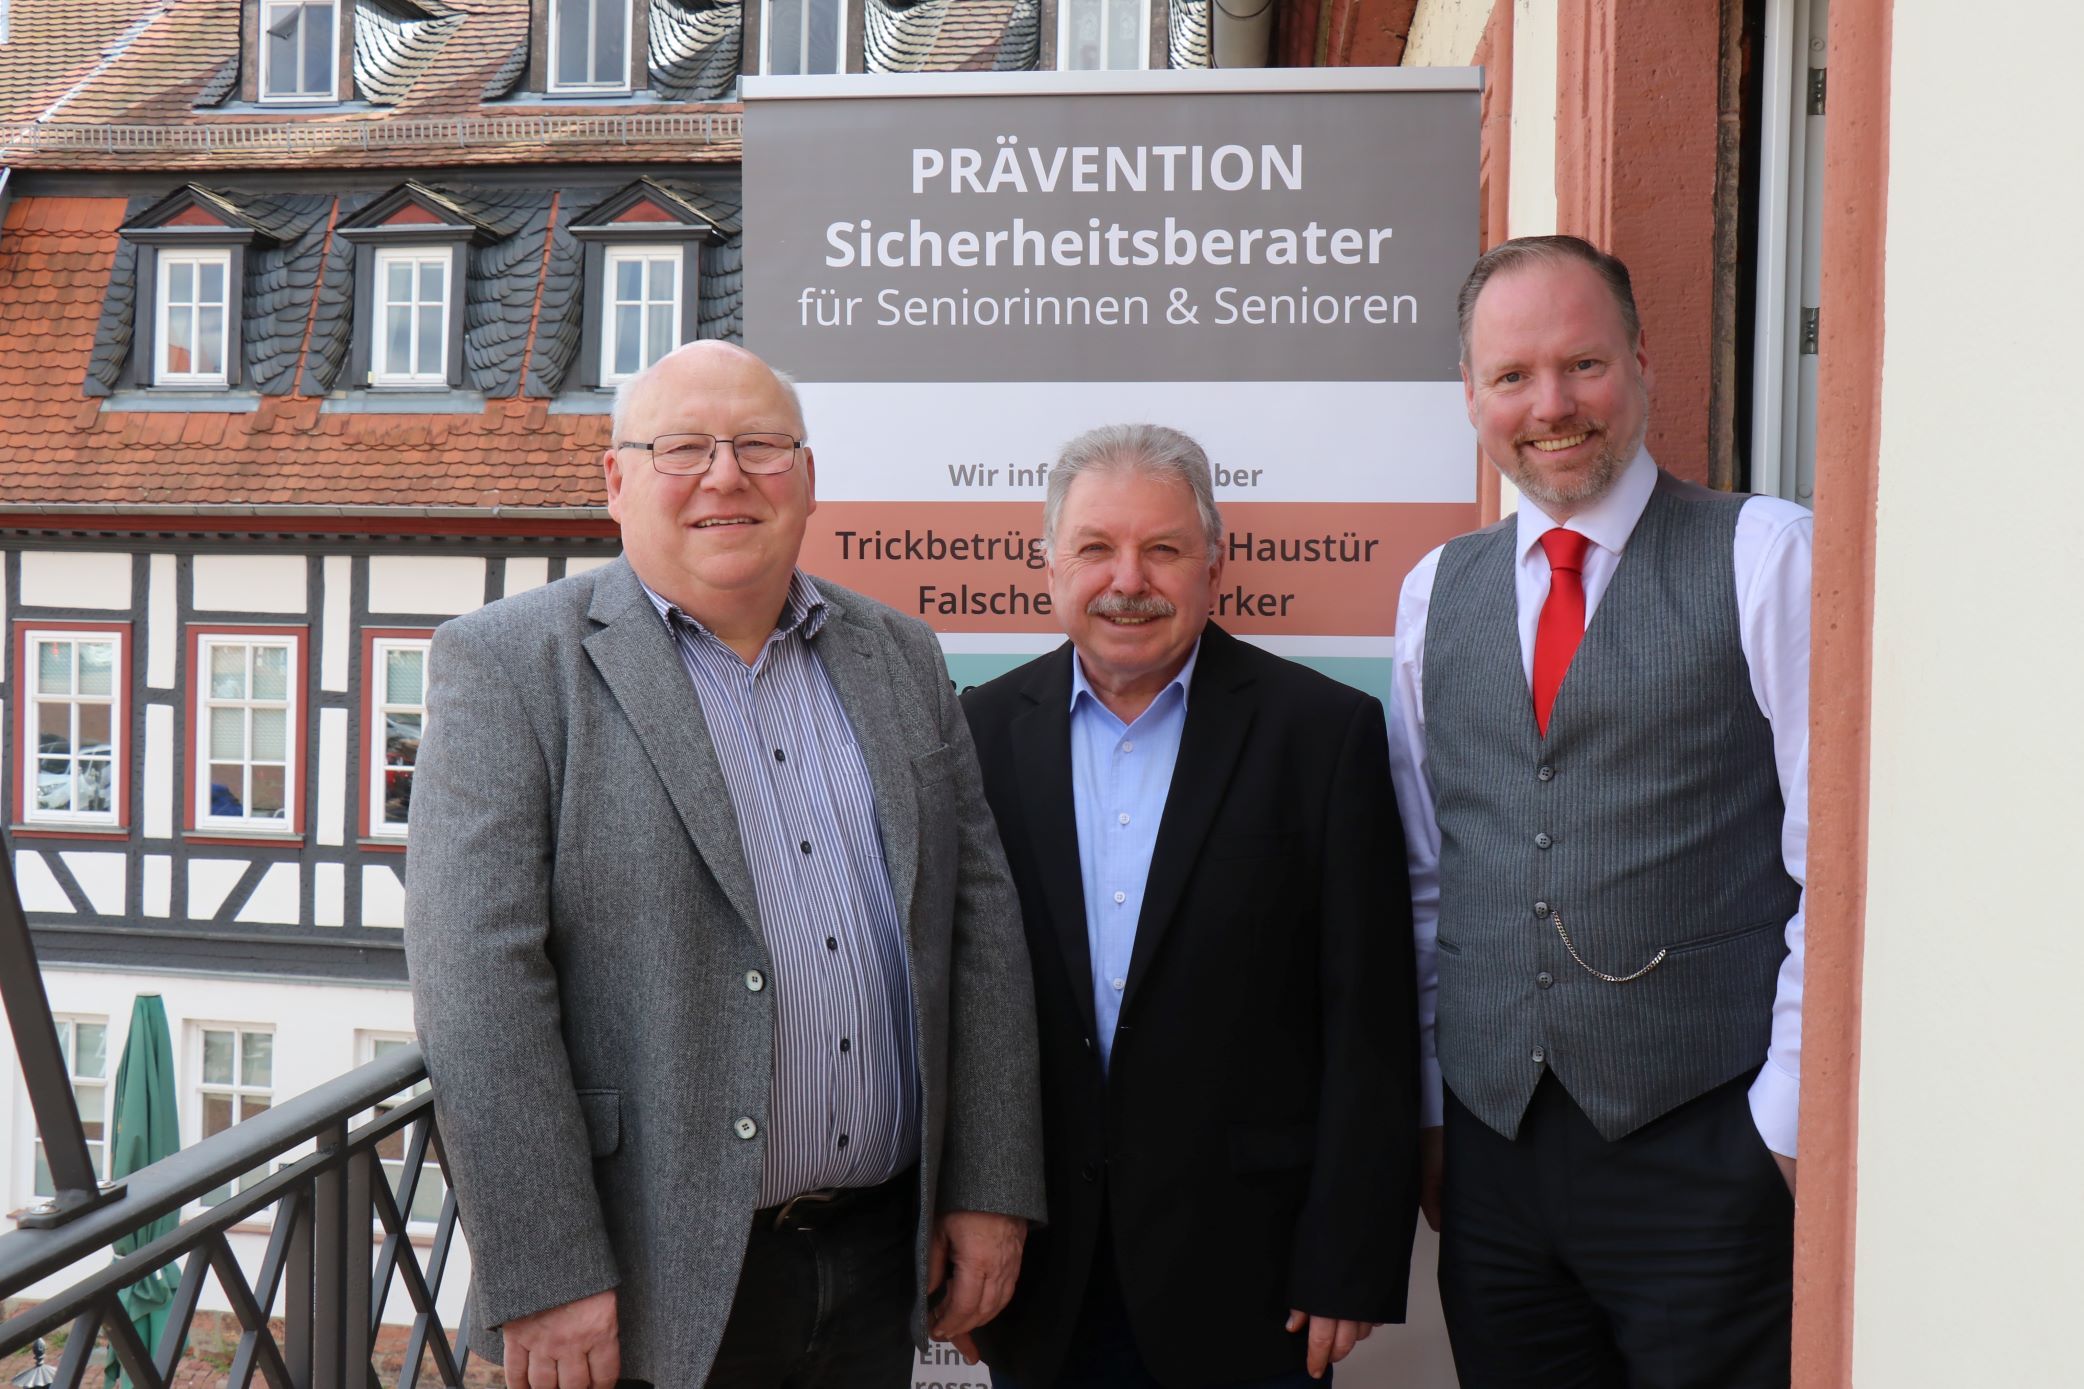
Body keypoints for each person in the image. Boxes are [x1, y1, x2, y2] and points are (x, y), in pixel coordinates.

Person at [404, 341, 1046, 1389]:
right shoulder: (511, 665)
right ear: (616, 480)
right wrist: (547, 1273)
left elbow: (978, 933)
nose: (725, 476)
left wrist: (988, 1186)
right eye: (683, 448)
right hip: (644, 1276)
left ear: (804, 475)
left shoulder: (901, 656)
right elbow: (476, 992)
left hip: (880, 1256)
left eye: (759, 445)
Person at [1389, 235, 1812, 1387]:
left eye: (1581, 364)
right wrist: (1437, 1116)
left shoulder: (1763, 555)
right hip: (1494, 1159)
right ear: (1471, 398)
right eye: (1512, 378)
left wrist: (1773, 1129)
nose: (1551, 406)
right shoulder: (1433, 593)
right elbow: (1433, 876)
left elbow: (1833, 869)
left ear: (1640, 364)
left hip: (1702, 1144)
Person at [960, 424, 1419, 1388]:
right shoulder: (976, 734)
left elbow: (1368, 1020)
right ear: (1049, 565)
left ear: (1215, 563)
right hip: (1039, 1274)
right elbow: (946, 1004)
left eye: (1163, 548)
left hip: (1253, 1279)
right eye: (1096, 548)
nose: (1129, 578)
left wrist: (1351, 1256)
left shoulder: (1323, 736)